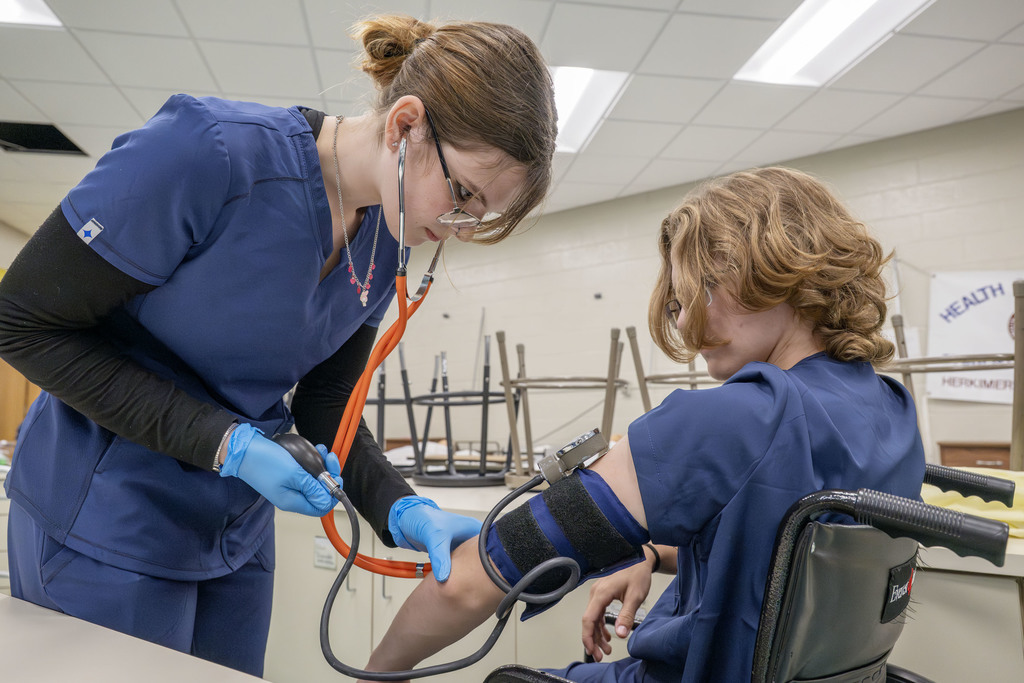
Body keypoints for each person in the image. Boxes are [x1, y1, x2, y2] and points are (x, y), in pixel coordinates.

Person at [0, 14, 557, 677]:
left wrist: (399, 506)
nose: (461, 226)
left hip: (233, 532)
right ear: (405, 124)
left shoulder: (386, 237)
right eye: (464, 194)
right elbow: (22, 321)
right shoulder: (207, 154)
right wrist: (227, 441)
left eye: (481, 214)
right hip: (104, 518)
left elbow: (328, 400)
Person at [360, 167, 926, 682]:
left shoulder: (735, 418)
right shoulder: (890, 409)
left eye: (696, 290)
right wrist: (653, 554)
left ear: (774, 269)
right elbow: (778, 550)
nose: (683, 317)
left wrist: (374, 675)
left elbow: (472, 582)